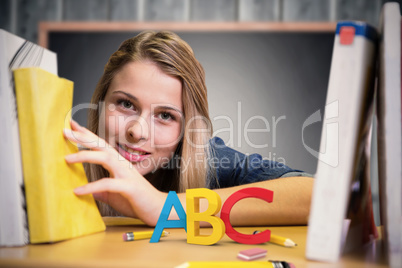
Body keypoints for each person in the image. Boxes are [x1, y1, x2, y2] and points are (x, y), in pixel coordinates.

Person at [63, 30, 314, 227]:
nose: (137, 132)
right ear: (101, 101)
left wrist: (163, 207)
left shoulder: (209, 163)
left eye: (164, 115)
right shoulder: (65, 160)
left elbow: (320, 197)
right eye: (126, 104)